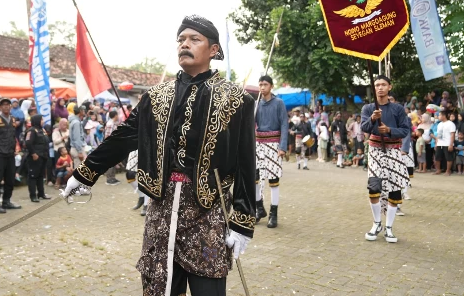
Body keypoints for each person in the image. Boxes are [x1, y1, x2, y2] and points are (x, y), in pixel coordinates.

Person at [62, 15, 256, 295]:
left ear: (214, 50)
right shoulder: (156, 96)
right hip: (161, 208)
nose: (184, 45)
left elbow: (246, 163)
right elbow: (124, 136)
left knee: (208, 291)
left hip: (208, 211)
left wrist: (242, 222)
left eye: (194, 39)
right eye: (180, 40)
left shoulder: (236, 99)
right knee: (158, 288)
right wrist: (86, 173)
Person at [361, 75, 410, 243]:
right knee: (373, 187)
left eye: (383, 84)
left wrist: (389, 130)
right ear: (374, 89)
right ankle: (377, 223)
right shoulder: (368, 108)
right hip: (375, 151)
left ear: (390, 87)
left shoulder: (397, 109)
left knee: (394, 190)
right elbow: (364, 128)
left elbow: (405, 130)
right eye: (377, 85)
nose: (380, 88)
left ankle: (389, 227)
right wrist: (373, 119)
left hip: (394, 151)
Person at [255, 75, 288, 229]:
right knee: (255, 178)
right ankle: (259, 208)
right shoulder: (256, 104)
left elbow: (284, 126)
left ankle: (273, 214)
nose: (262, 87)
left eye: (265, 84)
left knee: (273, 180)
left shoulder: (279, 103)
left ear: (271, 86)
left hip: (274, 144)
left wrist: (282, 147)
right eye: (260, 84)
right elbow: (251, 125)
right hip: (258, 144)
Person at [0, 98, 21, 214]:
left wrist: (15, 148)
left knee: (10, 179)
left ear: (11, 106)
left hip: (10, 154)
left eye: (8, 105)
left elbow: (13, 136)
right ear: (0, 107)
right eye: (4, 105)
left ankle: (6, 201)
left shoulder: (12, 119)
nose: (6, 107)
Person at [25, 115, 51, 202]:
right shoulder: (31, 130)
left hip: (43, 156)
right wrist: (33, 153)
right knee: (33, 176)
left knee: (40, 176)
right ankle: (33, 196)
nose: (43, 121)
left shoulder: (41, 130)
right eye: (41, 119)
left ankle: (41, 193)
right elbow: (28, 143)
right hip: (35, 157)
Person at [431, 110, 456, 176]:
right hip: (440, 143)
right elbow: (438, 135)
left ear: (444, 116)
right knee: (437, 157)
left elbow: (452, 134)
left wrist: (451, 144)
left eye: (439, 115)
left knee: (448, 158)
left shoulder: (451, 124)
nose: (438, 116)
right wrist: (436, 143)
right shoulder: (439, 124)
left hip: (447, 143)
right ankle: (438, 170)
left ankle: (448, 171)